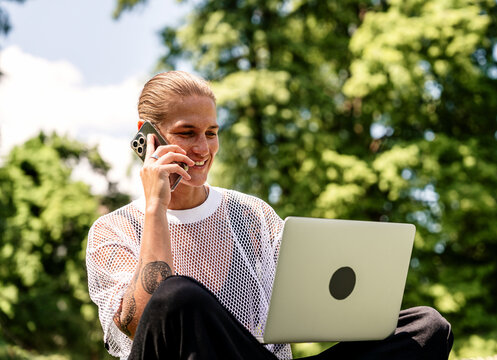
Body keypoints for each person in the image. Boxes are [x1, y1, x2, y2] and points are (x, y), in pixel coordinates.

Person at [86, 70, 454, 360]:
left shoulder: (253, 214)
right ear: (147, 136)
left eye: (212, 133)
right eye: (187, 133)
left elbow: (305, 306)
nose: (203, 148)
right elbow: (142, 324)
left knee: (426, 328)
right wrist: (156, 208)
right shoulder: (112, 230)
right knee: (177, 296)